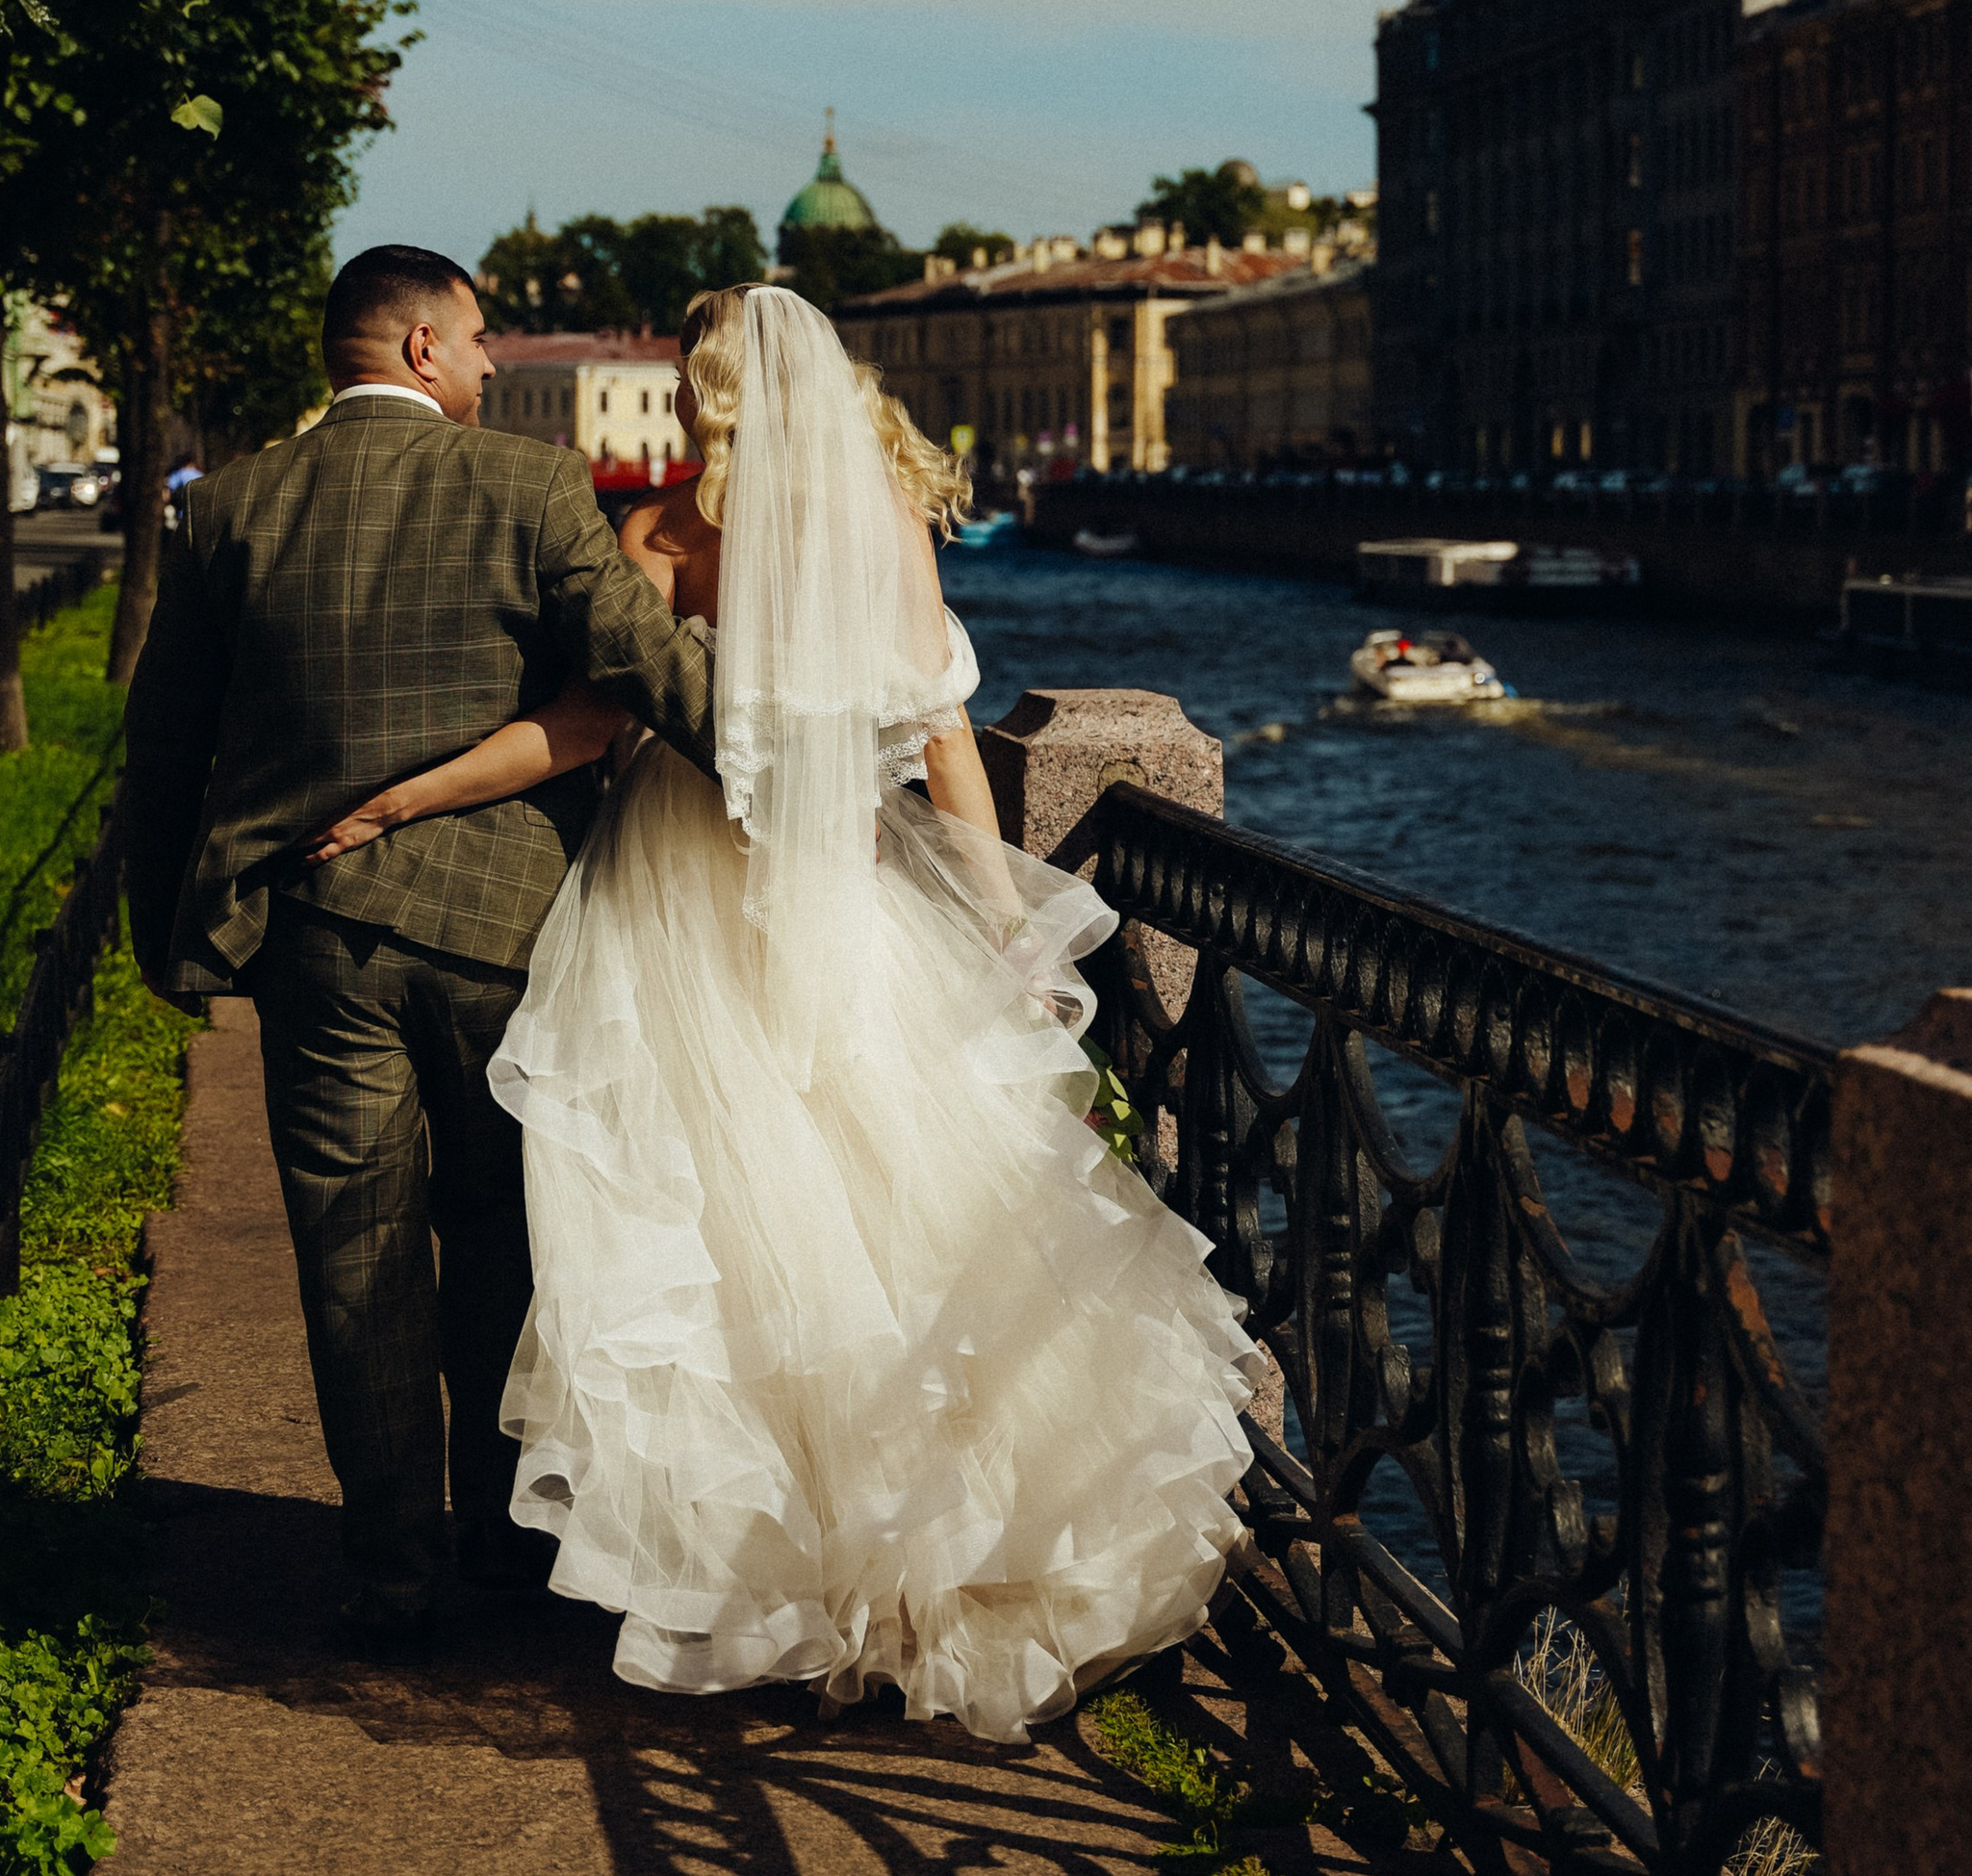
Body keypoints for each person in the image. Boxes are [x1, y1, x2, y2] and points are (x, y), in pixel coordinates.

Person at [303, 281, 1261, 1739]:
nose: (684, 401)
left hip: (681, 892)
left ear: (715, 395)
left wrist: (412, 794)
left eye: (692, 383)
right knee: (896, 1212)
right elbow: (945, 742)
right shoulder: (885, 523)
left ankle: (748, 1568)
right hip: (845, 898)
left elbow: (585, 726)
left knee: (702, 1232)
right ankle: (924, 1556)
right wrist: (1006, 930)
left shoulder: (671, 533)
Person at [123, 244, 717, 1657]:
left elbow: (165, 746)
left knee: (354, 1253)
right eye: (480, 338)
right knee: (508, 1236)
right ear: (420, 345)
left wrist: (168, 939)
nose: (496, 363)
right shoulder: (526, 487)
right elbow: (646, 667)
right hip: (507, 933)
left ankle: (391, 1573)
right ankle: (509, 1547)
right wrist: (810, 753)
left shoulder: (234, 507)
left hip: (314, 941)